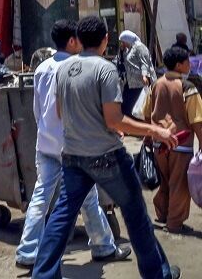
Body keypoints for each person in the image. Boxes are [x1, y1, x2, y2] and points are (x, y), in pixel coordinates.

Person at [33, 15, 179, 279]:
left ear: (79, 39)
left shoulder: (63, 69)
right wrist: (154, 129)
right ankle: (158, 275)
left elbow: (59, 111)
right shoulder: (105, 69)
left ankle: (42, 275)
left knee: (61, 217)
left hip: (73, 156)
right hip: (106, 157)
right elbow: (114, 120)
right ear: (105, 40)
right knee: (136, 217)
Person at [15, 19, 128, 269]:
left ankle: (28, 251)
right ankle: (102, 245)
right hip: (72, 145)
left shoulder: (43, 67)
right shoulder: (76, 67)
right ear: (72, 41)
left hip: (45, 142)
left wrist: (46, 130)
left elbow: (37, 108)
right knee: (87, 196)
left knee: (43, 197)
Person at [141, 46, 202, 234]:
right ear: (179, 65)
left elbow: (145, 113)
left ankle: (162, 213)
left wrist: (149, 136)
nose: (189, 66)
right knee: (180, 186)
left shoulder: (156, 85)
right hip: (180, 145)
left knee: (166, 181)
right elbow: (196, 120)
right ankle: (174, 223)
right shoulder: (187, 87)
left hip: (159, 142)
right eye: (187, 62)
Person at [119, 30, 156, 117]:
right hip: (131, 82)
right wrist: (122, 52)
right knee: (126, 105)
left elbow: (144, 62)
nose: (122, 44)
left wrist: (144, 75)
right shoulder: (130, 48)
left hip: (139, 83)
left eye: (123, 42)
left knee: (131, 106)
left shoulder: (140, 47)